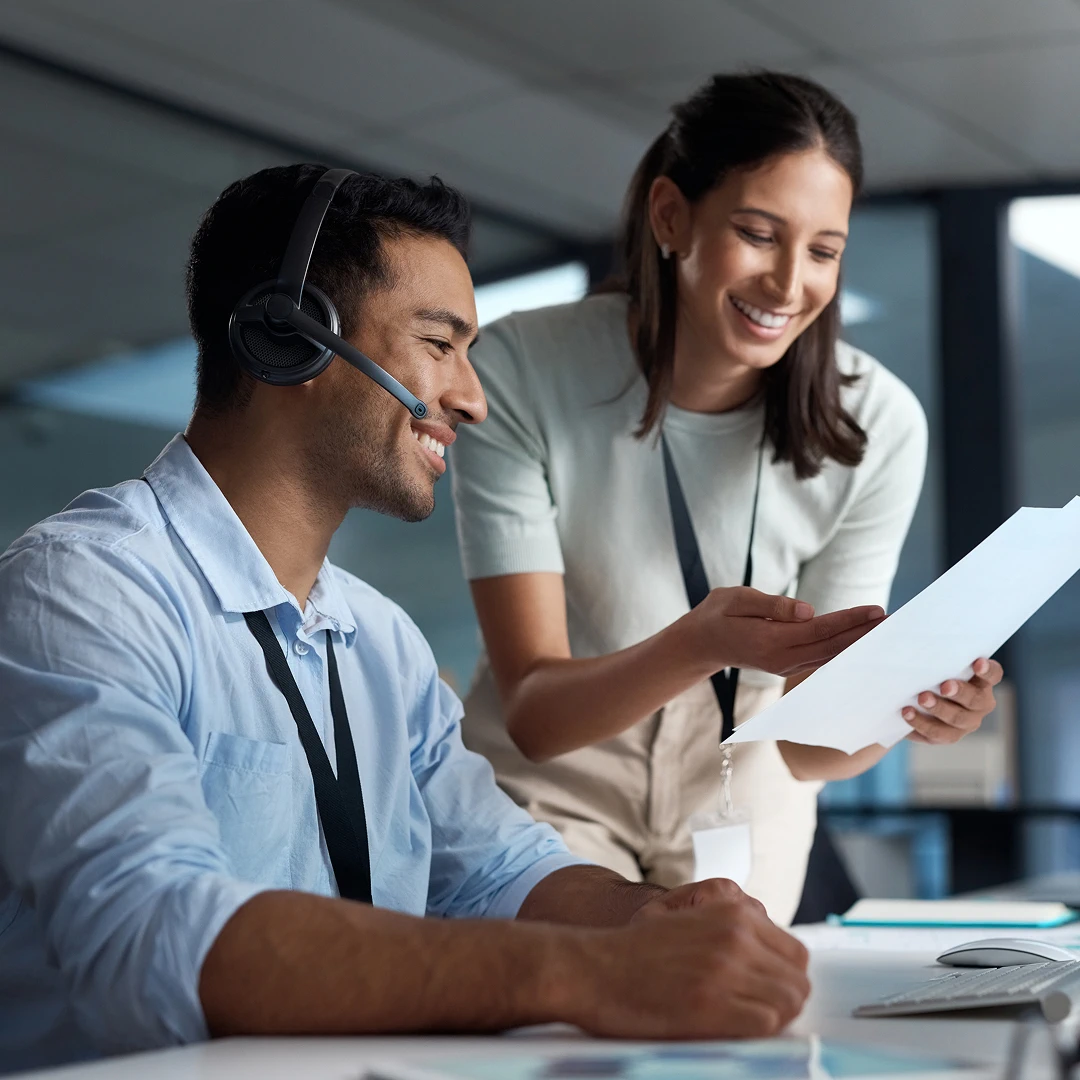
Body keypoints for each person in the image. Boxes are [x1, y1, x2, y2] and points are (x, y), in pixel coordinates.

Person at [0, 165, 812, 1074]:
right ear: (287, 340)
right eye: (439, 344)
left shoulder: (377, 641)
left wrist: (657, 917)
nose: (472, 398)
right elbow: (150, 935)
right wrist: (586, 971)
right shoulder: (84, 591)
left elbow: (500, 871)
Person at [450, 72, 1003, 927]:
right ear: (671, 217)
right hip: (550, 790)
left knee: (730, 1037)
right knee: (558, 1020)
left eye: (824, 250)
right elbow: (535, 717)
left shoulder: (878, 421)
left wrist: (909, 710)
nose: (788, 284)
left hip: (740, 803)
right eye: (758, 233)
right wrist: (698, 645)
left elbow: (815, 748)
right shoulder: (521, 372)